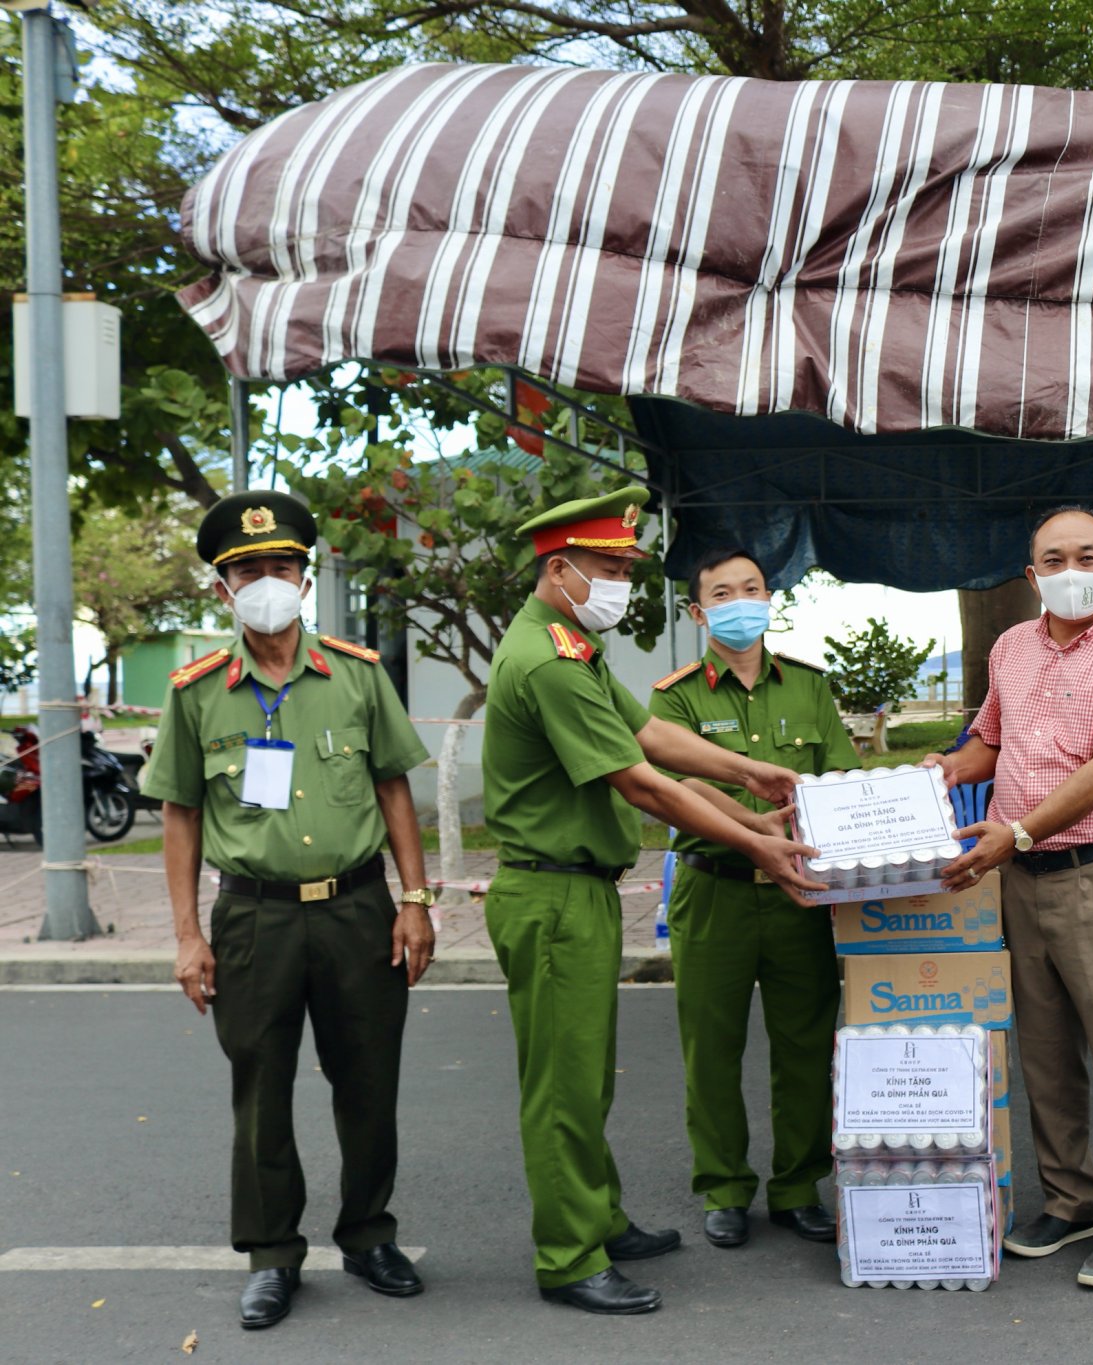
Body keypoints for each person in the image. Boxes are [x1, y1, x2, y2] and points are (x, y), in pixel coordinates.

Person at [480, 488, 822, 1316]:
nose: (622, 583)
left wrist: (748, 777)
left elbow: (650, 736)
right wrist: (757, 843)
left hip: (579, 890)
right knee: (563, 1085)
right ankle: (568, 1255)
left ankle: (598, 1216)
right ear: (558, 569)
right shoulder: (547, 661)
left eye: (628, 568)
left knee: (587, 1075)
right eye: (609, 568)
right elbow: (644, 786)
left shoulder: (571, 645)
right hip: (552, 894)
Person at [143, 491, 436, 1331]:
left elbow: (392, 786)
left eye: (280, 566)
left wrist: (414, 901)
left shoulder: (357, 673)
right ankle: (273, 1255)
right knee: (261, 1091)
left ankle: (370, 1234)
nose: (265, 581)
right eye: (246, 570)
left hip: (358, 908)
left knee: (369, 1081)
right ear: (222, 589)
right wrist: (188, 937)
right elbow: (180, 814)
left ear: (305, 579)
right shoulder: (197, 691)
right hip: (253, 920)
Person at [925, 504, 1093, 1291]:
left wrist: (1019, 832)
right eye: (1055, 559)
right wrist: (944, 771)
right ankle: (1068, 1198)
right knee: (1042, 1050)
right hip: (1020, 881)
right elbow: (990, 740)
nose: (1072, 571)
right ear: (1033, 575)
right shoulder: (1010, 648)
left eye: (1087, 556)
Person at [645, 547, 860, 1252]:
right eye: (722, 593)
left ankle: (799, 1185)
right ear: (698, 611)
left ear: (770, 598)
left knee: (805, 1045)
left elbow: (841, 783)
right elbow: (675, 786)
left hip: (800, 894)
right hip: (716, 892)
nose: (741, 602)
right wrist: (748, 825)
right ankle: (725, 1185)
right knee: (712, 1046)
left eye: (753, 588)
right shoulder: (674, 696)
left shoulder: (808, 687)